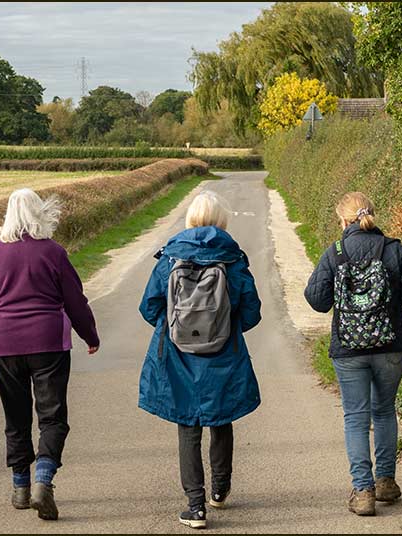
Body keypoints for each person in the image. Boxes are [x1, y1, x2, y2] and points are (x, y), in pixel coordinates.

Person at [304, 192, 402, 516]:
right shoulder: (394, 251)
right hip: (391, 346)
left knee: (355, 417)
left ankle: (363, 491)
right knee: (383, 411)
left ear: (343, 220)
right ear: (372, 217)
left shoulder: (335, 253)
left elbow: (317, 300)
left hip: (349, 349)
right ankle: (386, 482)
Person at [0, 188, 99, 521]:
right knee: (52, 416)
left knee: (16, 416)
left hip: (4, 343)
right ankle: (44, 478)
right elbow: (75, 300)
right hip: (48, 341)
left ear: (8, 216)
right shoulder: (53, 252)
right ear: (40, 213)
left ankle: (21, 487)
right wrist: (90, 335)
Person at [138, 190, 262, 530]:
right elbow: (252, 312)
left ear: (191, 219)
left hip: (178, 357)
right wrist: (227, 328)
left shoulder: (169, 258)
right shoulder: (233, 260)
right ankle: (220, 490)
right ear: (221, 221)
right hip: (223, 355)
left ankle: (195, 507)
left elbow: (148, 306)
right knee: (222, 419)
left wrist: (175, 328)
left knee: (187, 426)